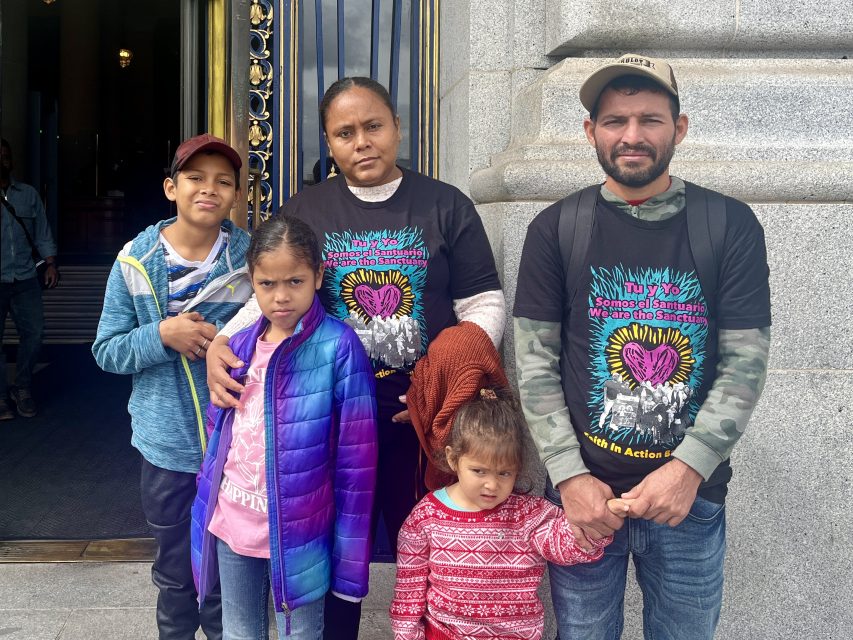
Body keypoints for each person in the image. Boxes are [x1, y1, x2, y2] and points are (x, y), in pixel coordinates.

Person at [206, 77, 504, 638]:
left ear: (397, 128)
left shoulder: (446, 205)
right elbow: (270, 293)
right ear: (329, 142)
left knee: (433, 544)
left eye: (373, 126)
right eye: (345, 133)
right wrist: (225, 341)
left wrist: (447, 386)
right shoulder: (307, 210)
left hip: (419, 420)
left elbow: (482, 302)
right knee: (338, 553)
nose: (362, 142)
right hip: (330, 420)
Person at [513, 54, 771, 639]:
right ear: (591, 132)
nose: (632, 136)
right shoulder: (556, 229)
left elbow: (744, 364)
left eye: (650, 120)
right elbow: (534, 365)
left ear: (679, 128)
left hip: (690, 499)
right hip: (585, 501)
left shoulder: (728, 225)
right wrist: (569, 477)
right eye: (615, 121)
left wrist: (688, 468)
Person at [93, 134, 255, 640]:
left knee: (232, 570)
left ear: (236, 195)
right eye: (195, 178)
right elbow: (107, 350)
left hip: (237, 444)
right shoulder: (135, 263)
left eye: (223, 181)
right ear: (171, 187)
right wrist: (163, 334)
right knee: (175, 572)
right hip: (167, 447)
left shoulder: (252, 260)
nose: (209, 189)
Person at [190, 215, 378, 640]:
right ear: (251, 282)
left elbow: (357, 468)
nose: (280, 298)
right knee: (239, 632)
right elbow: (220, 440)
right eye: (267, 284)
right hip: (233, 521)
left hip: (301, 534)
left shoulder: (339, 348)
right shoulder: (237, 347)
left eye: (294, 281)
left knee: (302, 634)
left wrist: (349, 563)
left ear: (318, 275)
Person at [390, 388, 625, 640]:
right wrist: (407, 634)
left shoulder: (528, 515)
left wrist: (598, 520)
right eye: (479, 471)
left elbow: (563, 544)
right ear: (453, 458)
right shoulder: (425, 517)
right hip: (445, 634)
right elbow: (409, 590)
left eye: (504, 473)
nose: (491, 485)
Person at [0, 138, 59, 420]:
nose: (2, 160)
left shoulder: (27, 194)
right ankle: (1, 396)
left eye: (5, 155)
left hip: (24, 276)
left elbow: (42, 232)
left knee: (34, 334)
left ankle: (21, 388)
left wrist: (50, 263)